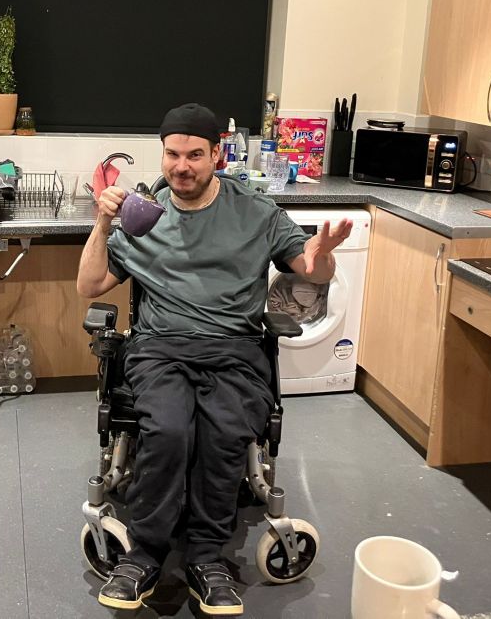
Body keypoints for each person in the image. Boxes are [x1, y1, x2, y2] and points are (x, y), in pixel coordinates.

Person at [77, 102, 353, 615]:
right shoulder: (143, 215)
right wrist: (101, 221)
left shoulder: (256, 212)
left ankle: (208, 557)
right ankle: (145, 555)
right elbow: (89, 284)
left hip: (234, 349)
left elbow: (310, 269)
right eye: (172, 154)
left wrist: (323, 258)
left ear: (217, 155)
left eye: (195, 155)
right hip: (160, 348)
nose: (182, 166)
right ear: (162, 155)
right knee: (170, 430)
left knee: (226, 429)